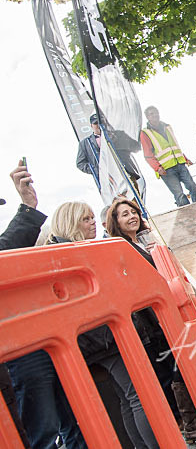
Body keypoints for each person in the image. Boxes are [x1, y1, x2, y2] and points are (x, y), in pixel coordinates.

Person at [46, 202, 158, 449]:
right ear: (72, 223)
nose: (92, 222)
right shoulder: (73, 254)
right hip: (103, 337)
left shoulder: (55, 253)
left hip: (89, 341)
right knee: (138, 396)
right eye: (86, 219)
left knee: (125, 399)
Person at [1, 162, 87, 449]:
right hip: (16, 353)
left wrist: (28, 205)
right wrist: (27, 207)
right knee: (42, 432)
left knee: (75, 419)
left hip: (38, 340)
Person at [105, 199, 196, 442]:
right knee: (176, 368)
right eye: (124, 214)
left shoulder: (143, 240)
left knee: (186, 362)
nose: (132, 216)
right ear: (115, 222)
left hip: (167, 311)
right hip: (152, 320)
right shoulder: (121, 249)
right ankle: (190, 424)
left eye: (133, 212)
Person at [140, 105, 196, 207]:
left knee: (193, 186)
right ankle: (188, 214)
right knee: (179, 195)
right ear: (147, 117)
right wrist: (157, 167)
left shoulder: (167, 127)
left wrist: (185, 159)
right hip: (166, 169)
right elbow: (148, 155)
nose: (155, 115)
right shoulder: (145, 133)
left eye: (156, 112)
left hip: (180, 164)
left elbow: (175, 146)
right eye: (151, 114)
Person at [76, 113, 141, 194]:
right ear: (91, 125)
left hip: (125, 172)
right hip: (107, 180)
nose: (99, 125)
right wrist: (97, 169)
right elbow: (80, 163)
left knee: (135, 198)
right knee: (119, 202)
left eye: (101, 122)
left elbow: (136, 146)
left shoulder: (119, 134)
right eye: (96, 123)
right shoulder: (85, 143)